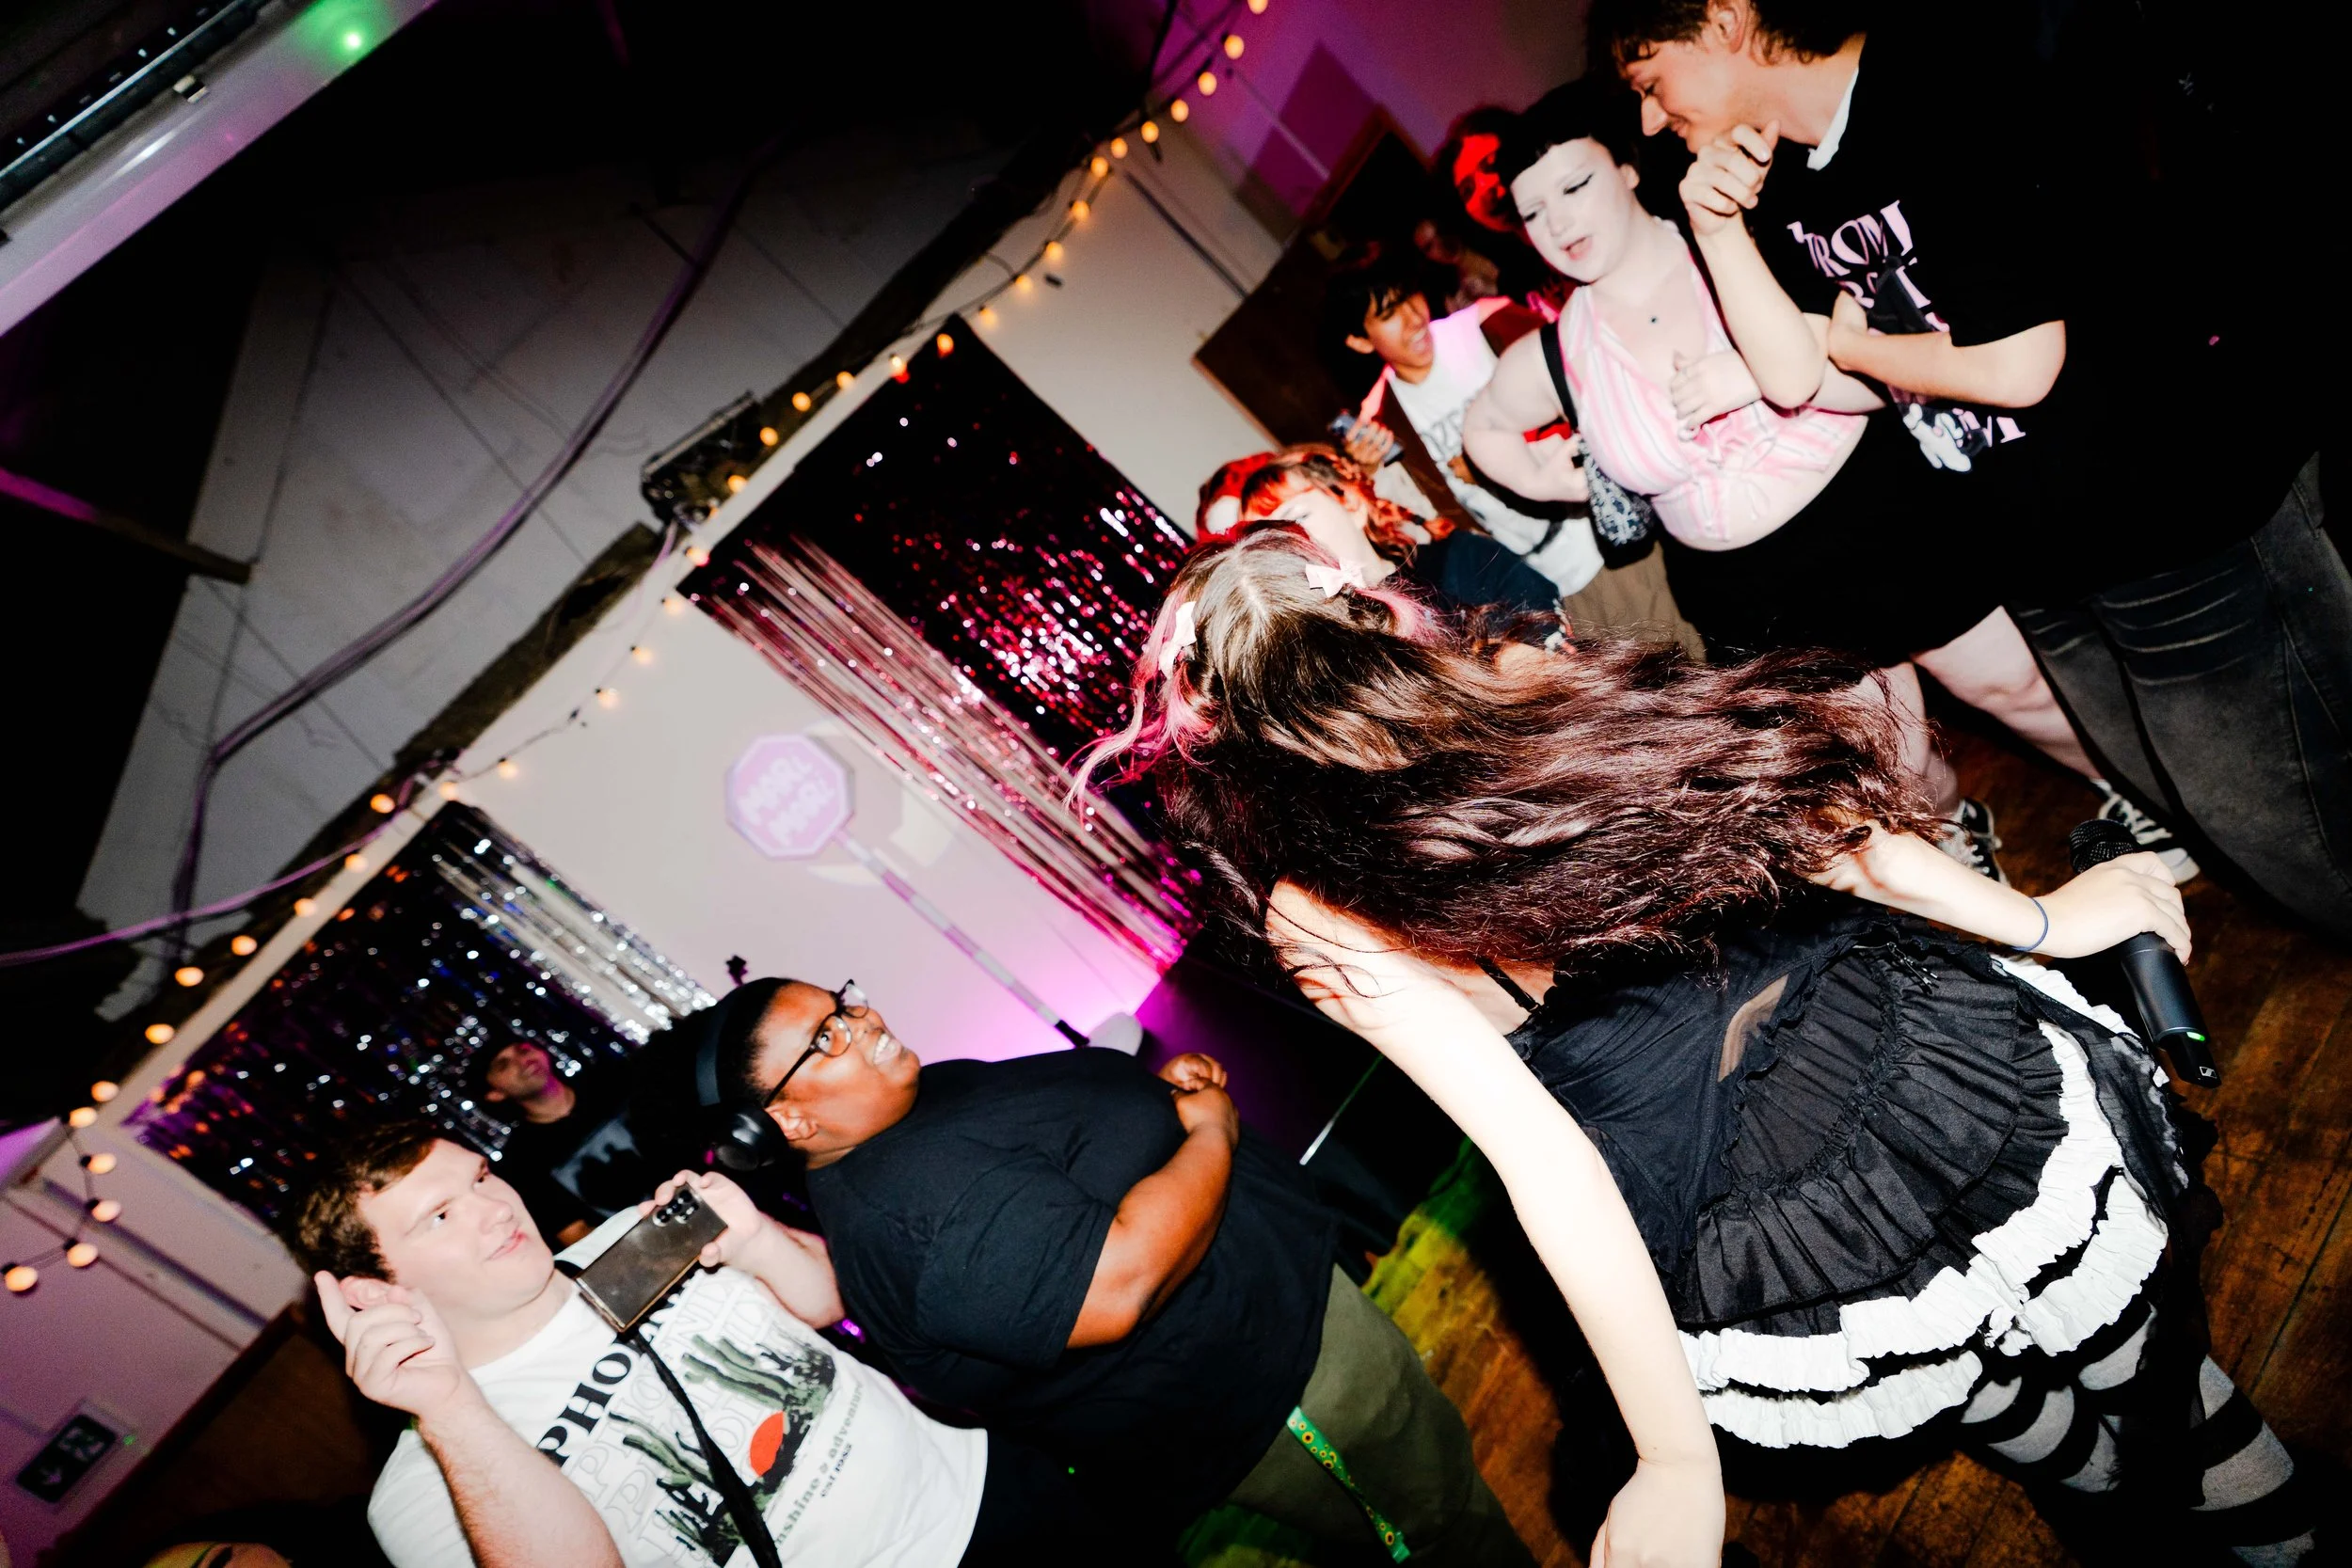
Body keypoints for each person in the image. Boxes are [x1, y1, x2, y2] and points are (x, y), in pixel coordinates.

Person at [1077, 528, 2318, 1567]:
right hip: (1904, 1072)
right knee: (2172, 1400)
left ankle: (2178, 1515)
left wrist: (1676, 1454)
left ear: (1219, 748)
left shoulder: (1314, 907)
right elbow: (1818, 818)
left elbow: (1546, 1161)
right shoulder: (1516, 670)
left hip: (1751, 1223)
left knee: (2026, 1413)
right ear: (1380, 609)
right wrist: (2043, 920)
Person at [1591, 0, 2352, 931]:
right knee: (2185, 798)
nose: (1647, 116)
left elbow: (2015, 366)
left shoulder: (1936, 87)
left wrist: (1856, 346)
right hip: (2037, 551)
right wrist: (1716, 232)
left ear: (1723, 21)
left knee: (2287, 817)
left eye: (1647, 80)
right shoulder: (1779, 174)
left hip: (2172, 517)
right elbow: (1795, 374)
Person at [1460, 78, 2122, 884]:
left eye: (1575, 185)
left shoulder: (1737, 240)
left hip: (1869, 515)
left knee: (2011, 684)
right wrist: (1561, 479)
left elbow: (1874, 374)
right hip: (1749, 583)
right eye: (1534, 211)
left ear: (1627, 170)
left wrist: (1757, 374)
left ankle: (2126, 790)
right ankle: (1957, 832)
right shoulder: (1556, 352)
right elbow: (1481, 430)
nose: (1559, 223)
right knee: (1892, 760)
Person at [720, 975, 1537, 1565]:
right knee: (1448, 1535)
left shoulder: (910, 1107)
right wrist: (1209, 1133)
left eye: (843, 1002)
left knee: (1449, 1495)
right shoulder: (906, 1204)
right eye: (823, 1039)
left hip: (1294, 1328)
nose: (860, 1021)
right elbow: (1117, 1283)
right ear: (790, 1118)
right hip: (1282, 1393)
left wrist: (1152, 1100)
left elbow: (1065, 1158)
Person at [291, 1120, 1091, 1568]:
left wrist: (759, 1237)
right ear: (374, 1287)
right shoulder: (424, 1484)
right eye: (440, 1215)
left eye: (479, 1177)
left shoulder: (634, 1242)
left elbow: (824, 1300)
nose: (494, 1208)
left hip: (992, 1494)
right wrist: (452, 1409)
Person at [1323, 242, 1702, 654]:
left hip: (1612, 535)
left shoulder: (1489, 325)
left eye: (1409, 297)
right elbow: (1420, 533)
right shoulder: (1381, 421)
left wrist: (1496, 458)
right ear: (1361, 341)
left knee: (1694, 657)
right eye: (1388, 314)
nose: (1413, 317)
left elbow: (1598, 394)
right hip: (1538, 587)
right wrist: (1373, 476)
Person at [468, 1039, 658, 1247]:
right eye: (503, 1065)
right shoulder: (521, 1162)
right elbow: (576, 1234)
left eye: (523, 1050)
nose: (521, 1061)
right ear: (495, 1093)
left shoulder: (611, 1079)